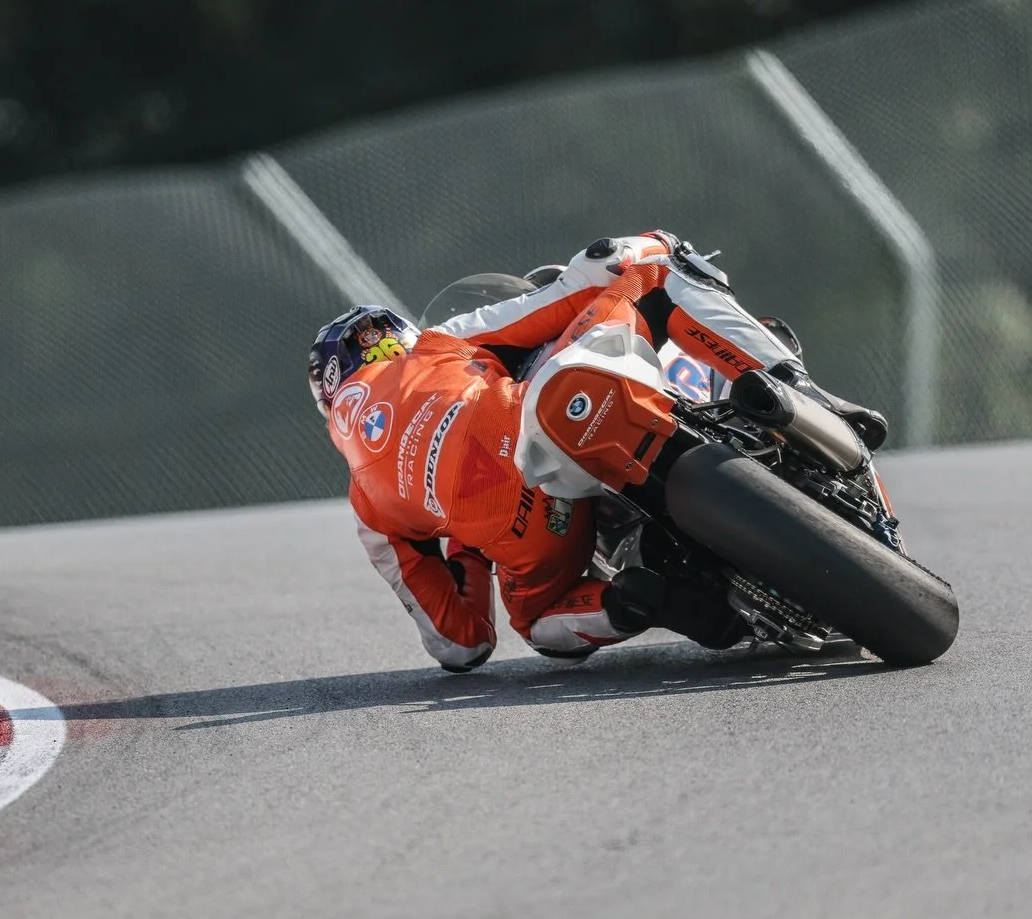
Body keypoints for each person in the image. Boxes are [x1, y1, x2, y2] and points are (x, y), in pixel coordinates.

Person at [307, 230, 887, 673]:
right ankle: (801, 390)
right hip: (557, 415)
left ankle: (630, 603)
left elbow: (461, 644)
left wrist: (467, 544)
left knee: (533, 622)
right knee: (657, 271)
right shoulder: (440, 343)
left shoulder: (367, 501)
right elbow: (583, 284)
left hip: (533, 525)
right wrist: (651, 248)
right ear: (399, 339)